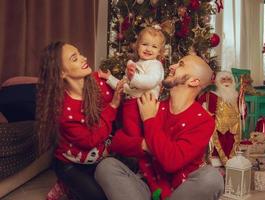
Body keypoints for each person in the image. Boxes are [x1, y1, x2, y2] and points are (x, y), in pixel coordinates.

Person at [95, 55, 224, 200]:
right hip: (147, 186)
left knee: (212, 178)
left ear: (193, 81)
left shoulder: (203, 121)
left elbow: (171, 161)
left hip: (182, 190)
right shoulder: (151, 104)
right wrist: (146, 144)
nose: (171, 66)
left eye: (180, 64)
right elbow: (117, 142)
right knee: (106, 166)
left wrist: (149, 120)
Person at [36, 41, 123, 200]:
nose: (84, 58)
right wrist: (113, 106)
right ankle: (65, 185)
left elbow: (124, 93)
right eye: (74, 58)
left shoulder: (99, 82)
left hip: (97, 158)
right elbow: (91, 140)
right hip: (71, 165)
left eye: (80, 53)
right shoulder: (63, 110)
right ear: (62, 73)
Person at [99, 26, 166, 197]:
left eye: (154, 46)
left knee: (145, 144)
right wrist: (110, 79)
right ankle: (140, 176)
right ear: (137, 46)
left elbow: (149, 81)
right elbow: (125, 88)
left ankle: (155, 184)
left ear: (160, 52)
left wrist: (133, 77)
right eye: (145, 44)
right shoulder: (135, 65)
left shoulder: (156, 65)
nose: (148, 49)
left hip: (145, 106)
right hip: (130, 107)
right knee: (134, 143)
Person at [198, 71, 243, 166]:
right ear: (218, 81)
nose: (226, 82)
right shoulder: (210, 95)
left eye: (229, 79)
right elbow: (200, 109)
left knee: (231, 144)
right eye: (223, 79)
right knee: (217, 146)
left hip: (233, 129)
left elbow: (242, 112)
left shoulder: (237, 96)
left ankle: (231, 161)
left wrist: (243, 110)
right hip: (217, 129)